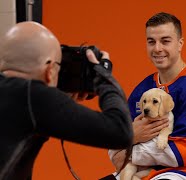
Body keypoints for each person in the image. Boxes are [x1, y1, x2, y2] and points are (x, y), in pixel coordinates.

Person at [0, 21, 133, 180]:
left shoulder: (22, 97)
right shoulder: (33, 96)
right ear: (49, 70)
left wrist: (62, 101)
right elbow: (120, 132)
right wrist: (103, 78)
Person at [109, 12, 186, 180]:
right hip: (145, 170)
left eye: (165, 41)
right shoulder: (143, 91)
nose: (157, 48)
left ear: (180, 44)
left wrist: (130, 151)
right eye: (151, 42)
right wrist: (131, 136)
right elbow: (115, 148)